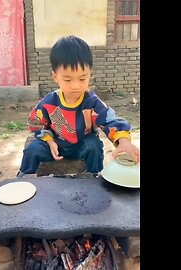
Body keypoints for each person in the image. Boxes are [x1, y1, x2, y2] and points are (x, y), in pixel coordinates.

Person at [17, 35, 140, 177]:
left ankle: (94, 177)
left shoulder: (92, 102)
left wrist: (123, 141)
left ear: (89, 74)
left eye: (82, 78)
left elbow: (110, 121)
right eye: (68, 79)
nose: (76, 86)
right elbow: (35, 122)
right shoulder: (49, 102)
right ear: (55, 77)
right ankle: (23, 180)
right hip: (55, 147)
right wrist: (49, 141)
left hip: (81, 146)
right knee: (33, 148)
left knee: (94, 146)